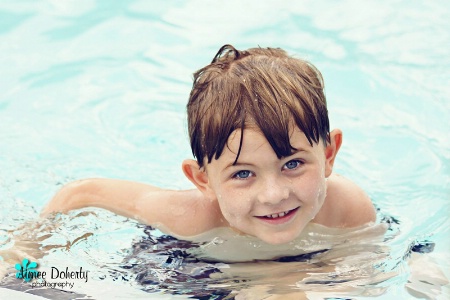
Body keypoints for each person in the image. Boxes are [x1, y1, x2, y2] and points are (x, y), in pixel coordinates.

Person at [41, 44, 376, 246]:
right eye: (243, 173)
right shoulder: (189, 220)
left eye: (292, 164)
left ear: (329, 153)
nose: (273, 195)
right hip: (192, 264)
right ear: (202, 180)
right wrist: (24, 253)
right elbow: (81, 194)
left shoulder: (348, 209)